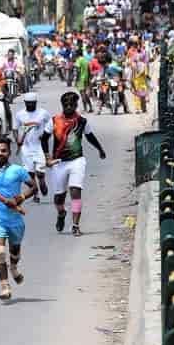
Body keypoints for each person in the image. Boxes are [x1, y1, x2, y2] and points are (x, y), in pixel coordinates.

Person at [0, 137, 36, 300]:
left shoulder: (18, 170)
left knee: (14, 250)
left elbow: (33, 187)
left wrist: (19, 199)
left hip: (15, 219)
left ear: (9, 152)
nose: (0, 153)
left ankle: (14, 267)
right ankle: (5, 287)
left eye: (4, 150)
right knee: (0, 251)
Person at [42, 92, 106, 237]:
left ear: (77, 105)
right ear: (62, 105)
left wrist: (100, 149)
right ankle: (61, 213)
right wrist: (47, 157)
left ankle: (76, 225)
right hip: (59, 163)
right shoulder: (54, 121)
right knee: (59, 197)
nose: (69, 107)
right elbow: (44, 139)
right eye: (66, 105)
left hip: (77, 160)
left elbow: (90, 136)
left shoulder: (82, 121)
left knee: (75, 191)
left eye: (72, 105)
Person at [13, 93, 51, 203]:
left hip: (40, 146)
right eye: (28, 103)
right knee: (30, 173)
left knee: (39, 173)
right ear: (25, 103)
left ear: (36, 103)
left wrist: (45, 134)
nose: (30, 105)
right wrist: (17, 140)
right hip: (26, 147)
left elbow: (51, 125)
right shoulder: (20, 114)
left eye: (32, 103)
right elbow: (15, 129)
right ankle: (35, 193)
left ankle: (42, 181)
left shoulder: (43, 113)